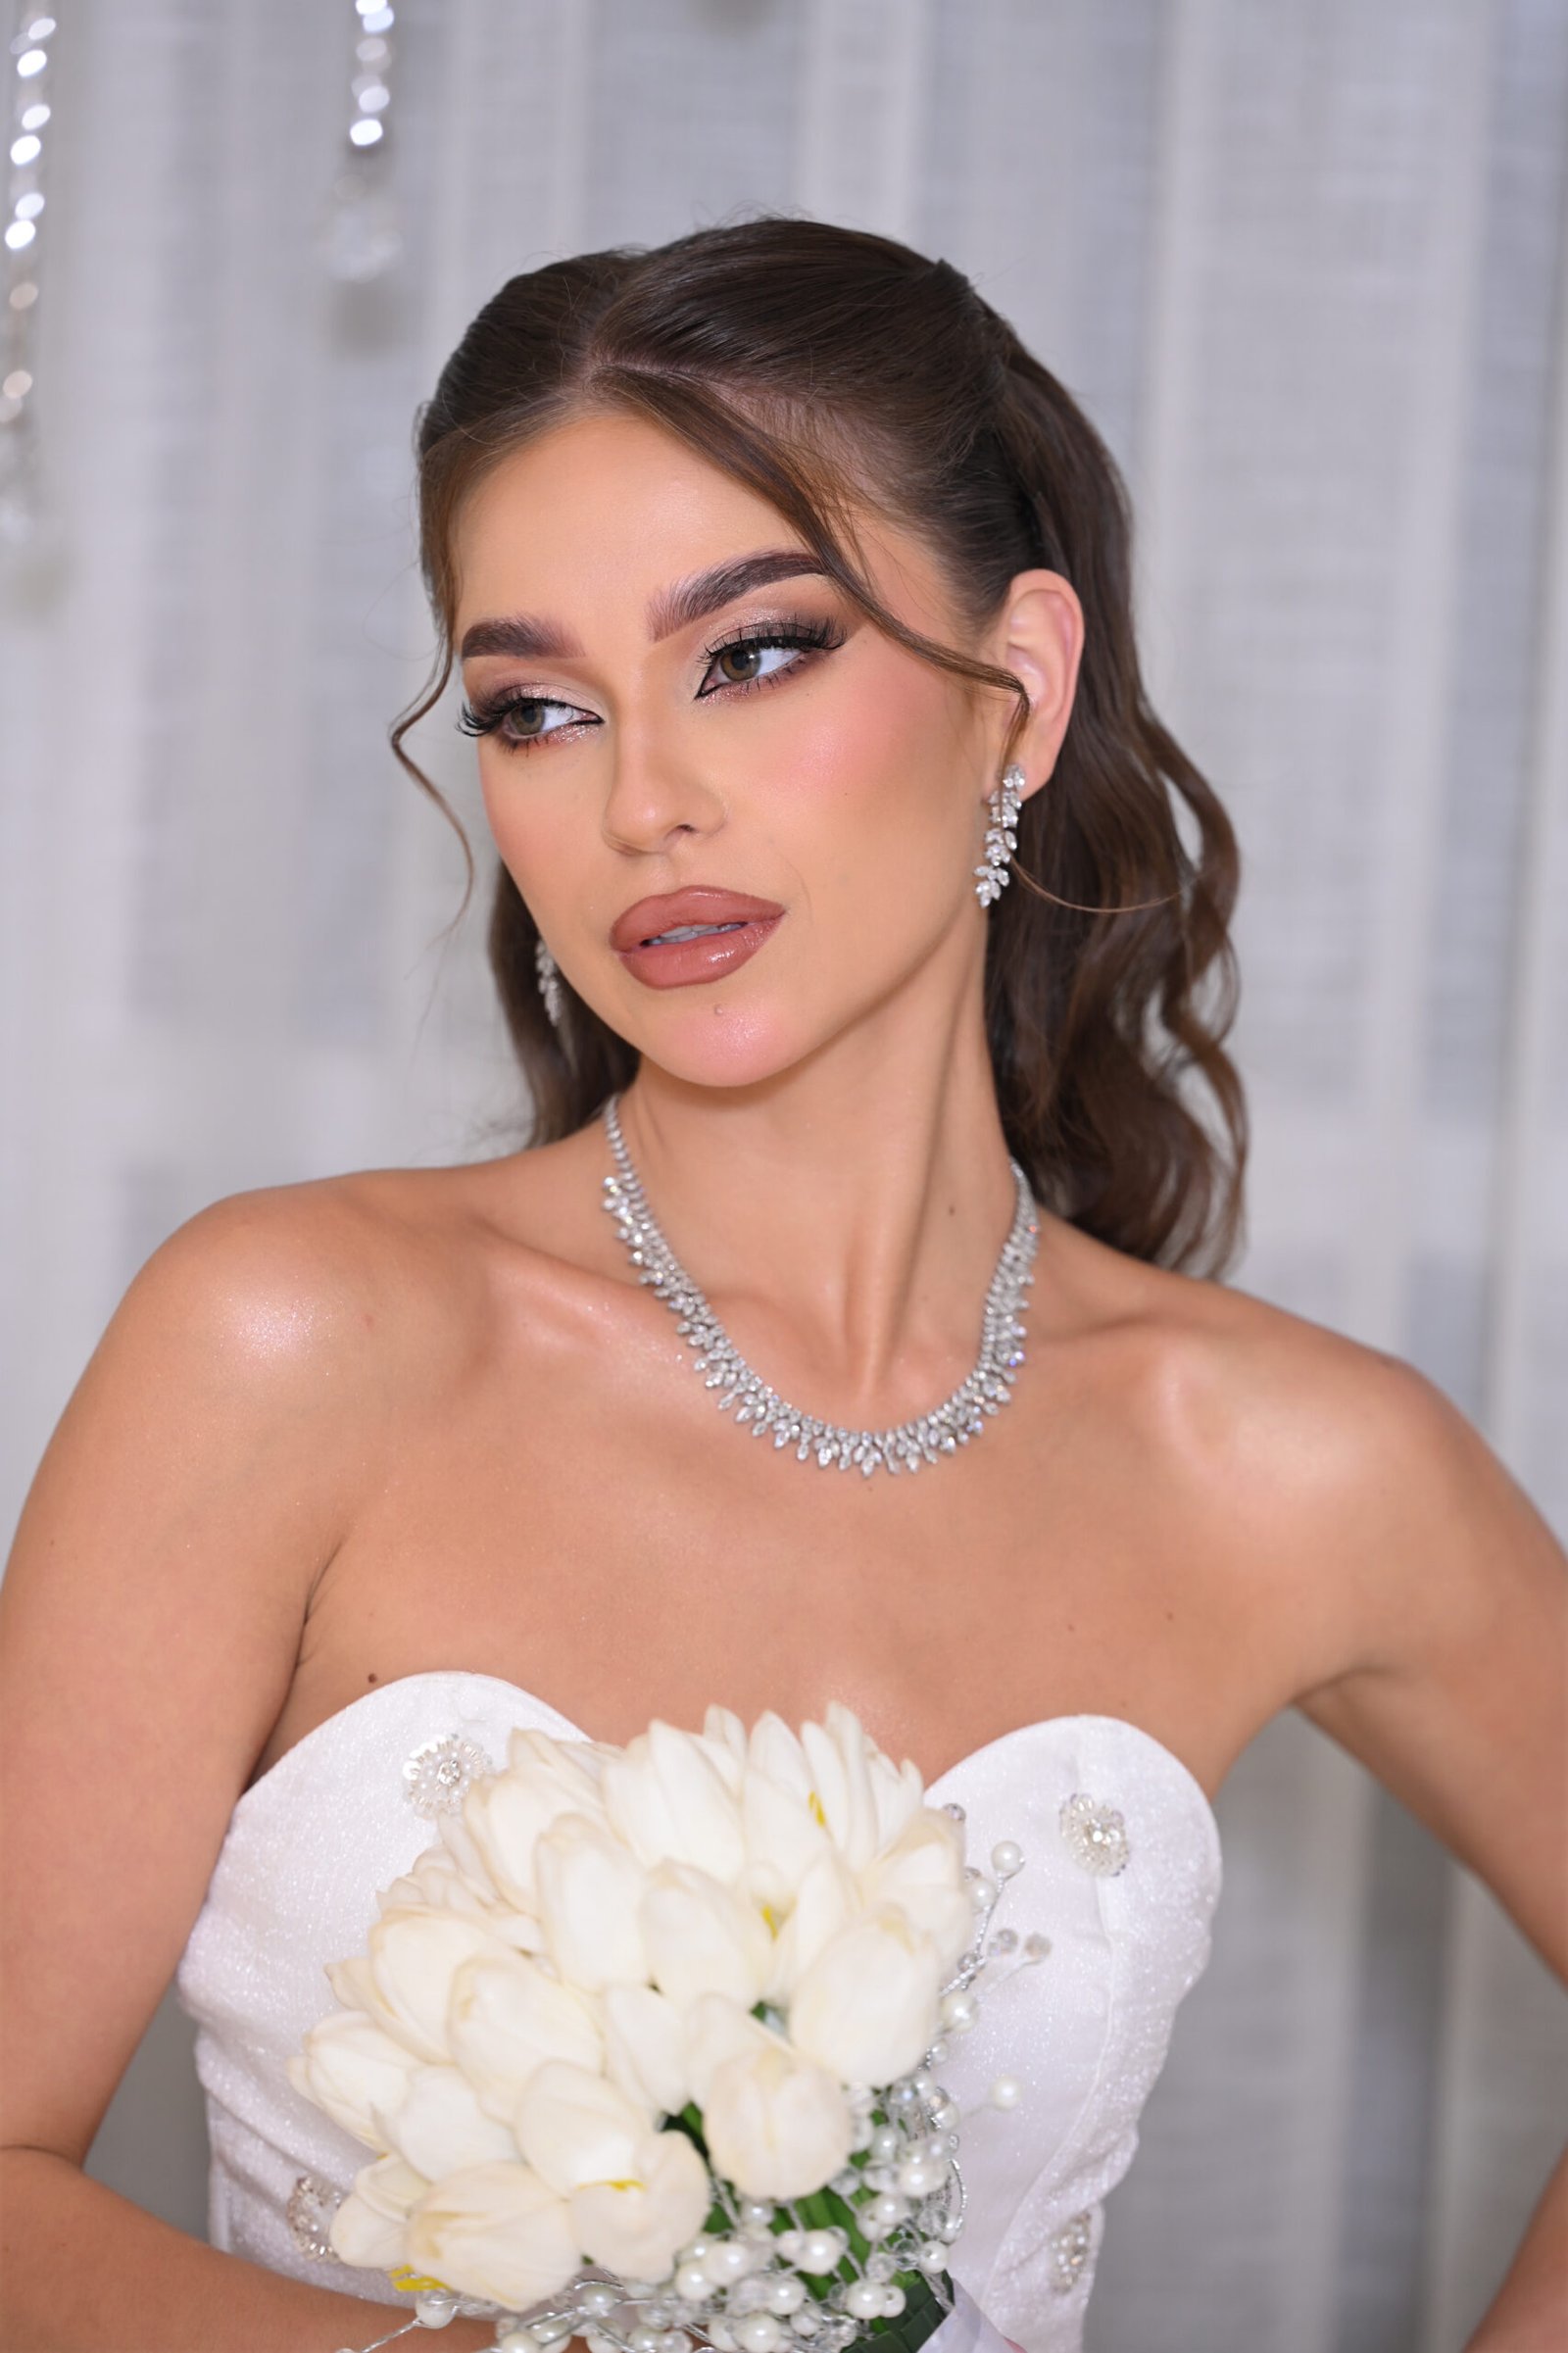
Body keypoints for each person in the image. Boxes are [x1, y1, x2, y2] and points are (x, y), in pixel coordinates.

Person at [1, 216, 1562, 2353]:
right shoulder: (290, 1341)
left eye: (749, 655)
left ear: (1017, 687)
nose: (643, 801)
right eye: (537, 710)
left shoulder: (1290, 1464)